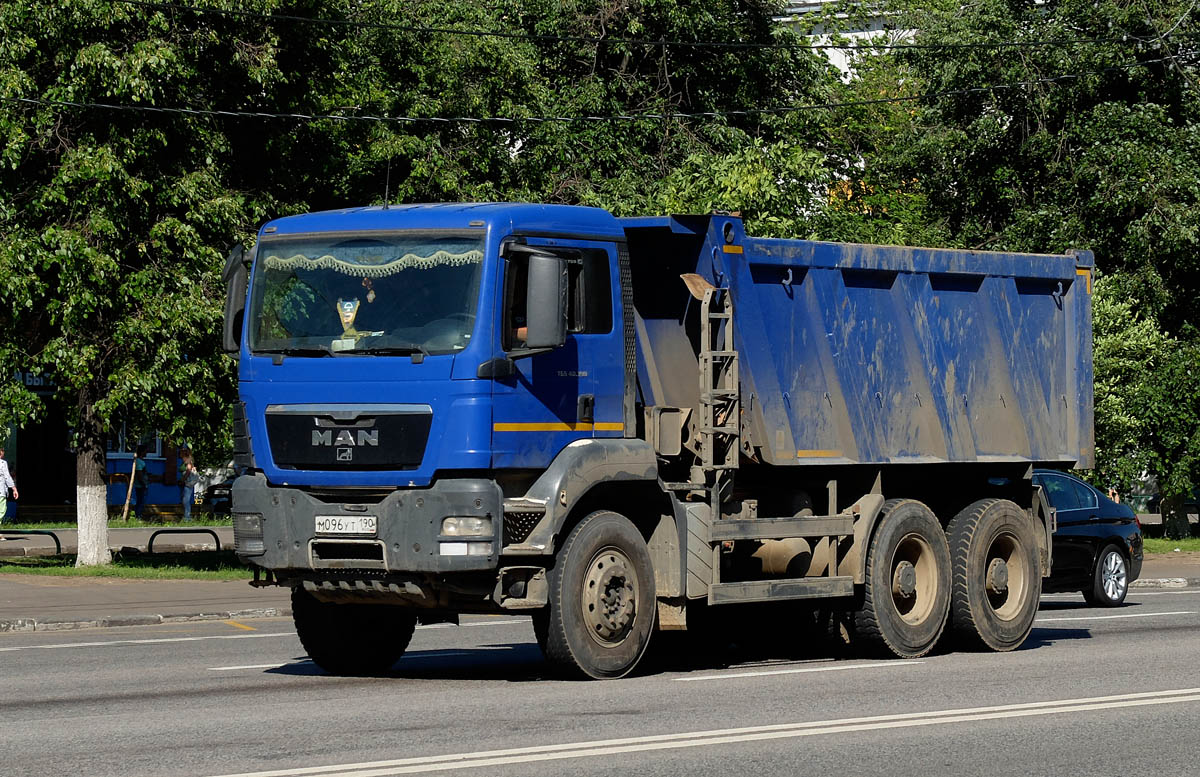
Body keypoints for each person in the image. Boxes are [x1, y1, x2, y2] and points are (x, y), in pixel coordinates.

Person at [179, 447, 200, 522]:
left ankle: (187, 516)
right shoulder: (186, 461)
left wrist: (182, 480)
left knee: (186, 500)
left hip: (188, 483)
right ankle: (186, 515)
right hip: (186, 483)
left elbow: (188, 471)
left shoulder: (188, 461)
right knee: (184, 499)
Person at [0, 445, 17, 525]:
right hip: (1, 492)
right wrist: (14, 489)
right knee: (2, 510)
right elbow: (7, 477)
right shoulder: (3, 463)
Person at [133, 444, 149, 519]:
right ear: (142, 452)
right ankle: (138, 516)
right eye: (146, 451)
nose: (147, 453)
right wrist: (143, 484)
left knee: (141, 501)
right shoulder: (139, 462)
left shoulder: (141, 461)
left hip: (142, 485)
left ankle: (139, 515)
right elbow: (139, 474)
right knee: (140, 501)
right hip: (140, 486)